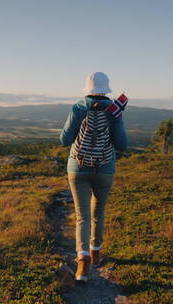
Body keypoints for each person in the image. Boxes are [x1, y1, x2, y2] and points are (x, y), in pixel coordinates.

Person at [59, 72, 128, 282]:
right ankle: (95, 252)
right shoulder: (114, 110)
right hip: (105, 168)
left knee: (82, 217)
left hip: (78, 169)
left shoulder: (79, 107)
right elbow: (122, 145)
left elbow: (64, 140)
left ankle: (82, 262)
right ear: (106, 88)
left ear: (87, 88)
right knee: (98, 212)